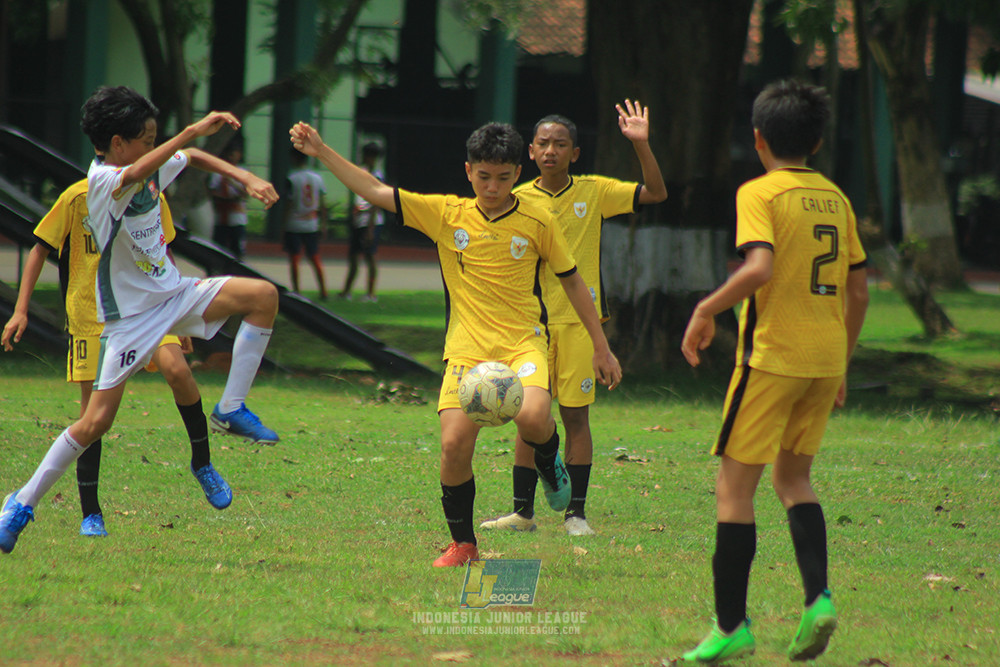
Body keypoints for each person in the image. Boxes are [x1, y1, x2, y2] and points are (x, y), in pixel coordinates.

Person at [290, 120, 623, 567]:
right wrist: (322, 150)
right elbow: (373, 190)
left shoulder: (536, 218)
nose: (493, 187)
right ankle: (464, 544)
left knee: (534, 415)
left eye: (504, 178)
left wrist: (601, 346)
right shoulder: (447, 214)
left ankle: (549, 458)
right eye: (483, 176)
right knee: (453, 447)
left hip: (523, 345)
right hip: (467, 352)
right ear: (468, 171)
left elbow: (574, 284)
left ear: (516, 173)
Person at [0, 85, 282, 554]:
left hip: (175, 296)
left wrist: (244, 177)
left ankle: (230, 409)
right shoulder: (103, 183)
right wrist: (192, 129)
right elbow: (160, 158)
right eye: (146, 138)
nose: (154, 146)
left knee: (263, 296)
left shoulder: (147, 167)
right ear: (117, 143)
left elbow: (189, 157)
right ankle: (20, 504)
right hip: (130, 321)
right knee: (94, 423)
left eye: (155, 137)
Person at [678, 79, 869, 663]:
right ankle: (818, 599)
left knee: (735, 489)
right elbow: (858, 292)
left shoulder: (760, 193)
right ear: (815, 141)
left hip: (772, 359)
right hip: (823, 360)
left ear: (758, 138)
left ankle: (731, 625)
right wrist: (842, 364)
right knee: (794, 480)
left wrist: (706, 307)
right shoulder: (836, 198)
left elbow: (759, 267)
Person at [2, 180, 234, 537]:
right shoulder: (76, 196)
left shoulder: (151, 193)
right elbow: (39, 248)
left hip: (148, 308)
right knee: (91, 416)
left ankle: (202, 463)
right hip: (90, 317)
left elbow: (162, 250)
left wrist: (180, 308)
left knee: (178, 370)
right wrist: (21, 310)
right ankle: (90, 513)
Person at [481, 100, 667, 537]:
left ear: (575, 154)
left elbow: (655, 193)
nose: (551, 151)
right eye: (543, 143)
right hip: (530, 328)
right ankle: (522, 513)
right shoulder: (516, 200)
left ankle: (575, 514)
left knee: (576, 418)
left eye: (560, 144)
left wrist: (641, 144)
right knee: (529, 415)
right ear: (530, 151)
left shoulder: (595, 191)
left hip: (581, 326)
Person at [339, 142, 385, 301]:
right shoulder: (361, 172)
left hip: (371, 221)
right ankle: (346, 291)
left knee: (370, 256)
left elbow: (376, 202)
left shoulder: (377, 176)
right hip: (359, 220)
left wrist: (371, 227)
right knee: (353, 256)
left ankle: (371, 293)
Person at [283, 148, 329, 299]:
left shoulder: (292, 178)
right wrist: (323, 223)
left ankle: (297, 291)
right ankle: (323, 290)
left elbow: (289, 203)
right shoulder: (317, 178)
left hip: (295, 223)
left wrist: (284, 223)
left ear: (294, 158)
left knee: (295, 258)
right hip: (311, 223)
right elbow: (323, 203)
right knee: (315, 257)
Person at [208, 136, 249, 261]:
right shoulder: (218, 172)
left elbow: (245, 194)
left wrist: (232, 183)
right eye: (229, 154)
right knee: (219, 249)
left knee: (237, 250)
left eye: (234, 154)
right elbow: (212, 192)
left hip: (237, 217)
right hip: (221, 217)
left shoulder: (243, 172)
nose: (231, 157)